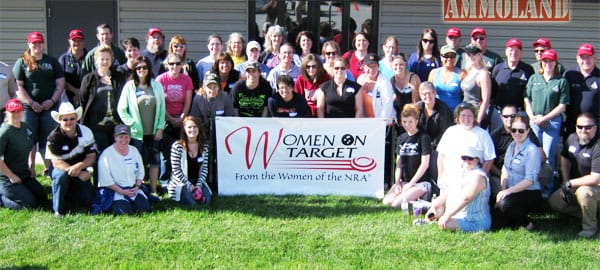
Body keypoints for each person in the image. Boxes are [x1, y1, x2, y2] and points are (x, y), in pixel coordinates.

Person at [13, 31, 65, 177]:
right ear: (29, 44)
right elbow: (19, 86)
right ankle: (31, 169)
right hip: (29, 108)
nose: (37, 45)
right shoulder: (22, 62)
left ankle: (49, 168)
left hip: (49, 107)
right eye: (34, 43)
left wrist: (52, 100)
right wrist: (31, 102)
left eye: (39, 43)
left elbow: (60, 83)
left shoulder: (51, 61)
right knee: (29, 138)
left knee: (48, 138)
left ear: (43, 44)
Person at [117, 56, 166, 196]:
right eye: (138, 67)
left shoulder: (156, 86)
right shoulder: (130, 86)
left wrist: (160, 128)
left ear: (149, 69)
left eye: (144, 67)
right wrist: (132, 123)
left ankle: (153, 189)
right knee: (138, 161)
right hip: (136, 132)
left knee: (155, 160)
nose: (142, 70)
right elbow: (121, 109)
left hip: (154, 131)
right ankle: (138, 189)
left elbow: (162, 108)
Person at [524, 49, 570, 196]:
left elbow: (562, 105)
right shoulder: (534, 78)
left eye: (551, 60)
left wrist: (545, 118)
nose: (548, 63)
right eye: (545, 61)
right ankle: (531, 187)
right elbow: (527, 98)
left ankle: (546, 191)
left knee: (549, 155)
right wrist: (531, 116)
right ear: (541, 62)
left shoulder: (561, 81)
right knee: (533, 155)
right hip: (534, 121)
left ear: (556, 62)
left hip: (552, 123)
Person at [548, 113, 599, 238]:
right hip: (576, 184)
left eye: (588, 127)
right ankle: (592, 215)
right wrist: (566, 182)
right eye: (580, 127)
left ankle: (590, 228)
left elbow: (596, 178)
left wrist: (570, 183)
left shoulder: (598, 146)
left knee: (584, 192)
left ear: (595, 128)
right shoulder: (571, 139)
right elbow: (565, 159)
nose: (583, 130)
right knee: (554, 201)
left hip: (594, 186)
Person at [492, 115, 542, 230]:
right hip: (512, 191)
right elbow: (505, 168)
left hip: (530, 192)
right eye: (514, 130)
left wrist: (508, 191)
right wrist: (503, 190)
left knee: (505, 204)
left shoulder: (532, 150)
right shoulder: (511, 146)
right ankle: (516, 221)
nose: (517, 133)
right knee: (496, 222)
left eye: (521, 130)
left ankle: (527, 224)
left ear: (528, 131)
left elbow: (530, 180)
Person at [45, 102, 96, 216]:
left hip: (80, 167)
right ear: (59, 120)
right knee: (60, 177)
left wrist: (80, 167)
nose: (69, 122)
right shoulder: (53, 137)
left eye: (72, 118)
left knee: (87, 201)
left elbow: (91, 156)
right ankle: (58, 210)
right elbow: (56, 162)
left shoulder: (86, 132)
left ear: (77, 118)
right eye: (65, 119)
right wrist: (77, 172)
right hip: (61, 169)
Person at [425, 146, 491, 232]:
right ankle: (434, 219)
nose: (466, 161)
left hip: (474, 220)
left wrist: (447, 215)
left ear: (477, 160)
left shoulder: (479, 176)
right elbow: (449, 191)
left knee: (446, 224)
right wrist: (434, 206)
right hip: (458, 215)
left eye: (470, 158)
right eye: (464, 158)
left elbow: (466, 198)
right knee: (437, 209)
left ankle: (437, 220)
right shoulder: (461, 173)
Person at [189, 73, 236, 191]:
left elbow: (230, 117)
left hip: (221, 134)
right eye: (209, 87)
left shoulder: (225, 97)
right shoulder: (198, 98)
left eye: (215, 87)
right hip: (203, 133)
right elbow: (195, 119)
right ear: (204, 87)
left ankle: (219, 182)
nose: (212, 90)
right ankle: (203, 181)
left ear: (219, 87)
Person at [490, 105, 545, 199]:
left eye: (512, 116)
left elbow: (542, 156)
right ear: (501, 117)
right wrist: (504, 182)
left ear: (527, 131)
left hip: (525, 173)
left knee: (546, 170)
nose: (509, 119)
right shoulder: (497, 137)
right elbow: (490, 162)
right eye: (506, 116)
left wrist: (533, 167)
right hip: (501, 175)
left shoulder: (530, 141)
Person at [0, 99, 47, 210]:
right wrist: (11, 176)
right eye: (13, 112)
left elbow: (32, 146)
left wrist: (32, 166)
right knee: (28, 205)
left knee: (42, 198)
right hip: (6, 177)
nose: (16, 114)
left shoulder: (26, 127)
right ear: (6, 113)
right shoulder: (4, 132)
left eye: (19, 111)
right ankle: (1, 198)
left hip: (23, 173)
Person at [436, 102, 496, 191]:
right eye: (463, 115)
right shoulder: (450, 131)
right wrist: (440, 176)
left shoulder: (483, 134)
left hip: (470, 181)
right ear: (457, 117)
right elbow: (441, 156)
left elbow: (489, 159)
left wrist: (479, 178)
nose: (466, 119)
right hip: (449, 179)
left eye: (469, 116)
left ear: (474, 117)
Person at [382, 103, 431, 207]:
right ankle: (412, 198)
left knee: (396, 204)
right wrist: (397, 183)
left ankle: (421, 197)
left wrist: (411, 183)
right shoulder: (401, 138)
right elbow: (399, 164)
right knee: (386, 202)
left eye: (410, 122)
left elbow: (424, 165)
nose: (407, 125)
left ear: (416, 121)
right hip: (404, 181)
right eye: (404, 122)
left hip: (420, 182)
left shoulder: (424, 137)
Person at [80, 45, 126, 153]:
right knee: (101, 156)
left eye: (107, 59)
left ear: (112, 60)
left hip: (116, 126)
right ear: (96, 60)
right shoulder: (89, 79)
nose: (105, 62)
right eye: (102, 59)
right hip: (96, 127)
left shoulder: (119, 77)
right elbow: (83, 101)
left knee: (116, 155)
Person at [156, 53, 194, 183]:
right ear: (167, 65)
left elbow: (188, 101)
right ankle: (165, 179)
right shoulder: (160, 79)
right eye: (171, 63)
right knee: (166, 151)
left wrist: (182, 117)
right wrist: (170, 118)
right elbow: (160, 103)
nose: (174, 66)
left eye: (177, 63)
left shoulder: (187, 80)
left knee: (183, 149)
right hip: (165, 118)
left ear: (182, 65)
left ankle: (182, 177)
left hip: (182, 119)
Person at [98, 124, 150, 215]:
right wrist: (122, 191)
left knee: (143, 209)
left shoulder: (134, 150)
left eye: (127, 137)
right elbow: (105, 179)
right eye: (120, 137)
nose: (124, 140)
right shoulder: (106, 154)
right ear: (115, 137)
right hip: (116, 191)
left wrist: (137, 187)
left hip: (134, 189)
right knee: (123, 212)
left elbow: (140, 171)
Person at [489, 38, 535, 132]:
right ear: (506, 52)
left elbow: (531, 94)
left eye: (516, 50)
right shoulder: (498, 68)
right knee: (498, 140)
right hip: (499, 114)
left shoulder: (527, 70)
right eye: (511, 50)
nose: (513, 53)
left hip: (520, 113)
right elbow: (492, 93)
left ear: (521, 53)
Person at [168, 116, 211, 206]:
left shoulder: (204, 147)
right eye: (189, 127)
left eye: (195, 127)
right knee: (192, 203)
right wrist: (189, 185)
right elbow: (176, 170)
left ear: (199, 128)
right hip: (181, 182)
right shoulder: (177, 146)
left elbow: (204, 168)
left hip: (197, 180)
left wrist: (198, 185)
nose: (192, 129)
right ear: (184, 129)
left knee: (207, 201)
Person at [415, 82, 453, 182]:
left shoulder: (444, 109)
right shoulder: (416, 108)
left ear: (435, 93)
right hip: (421, 145)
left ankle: (435, 188)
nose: (427, 96)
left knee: (434, 159)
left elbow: (445, 134)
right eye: (424, 94)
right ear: (420, 95)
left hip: (437, 147)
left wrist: (430, 148)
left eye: (430, 93)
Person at [563, 43, 599, 139]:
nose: (586, 60)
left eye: (589, 57)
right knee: (569, 152)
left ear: (595, 57)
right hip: (572, 124)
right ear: (577, 59)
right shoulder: (569, 74)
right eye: (583, 57)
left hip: (593, 127)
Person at [356, 53, 396, 124]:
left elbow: (387, 104)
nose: (371, 69)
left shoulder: (384, 81)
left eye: (374, 66)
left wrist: (380, 122)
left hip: (381, 123)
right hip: (364, 122)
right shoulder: (360, 79)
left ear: (378, 67)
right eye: (369, 66)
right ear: (364, 67)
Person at [428, 45, 467, 112]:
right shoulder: (433, 73)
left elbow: (468, 95)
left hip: (455, 114)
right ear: (441, 57)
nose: (449, 59)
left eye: (452, 56)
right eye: (446, 56)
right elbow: (428, 94)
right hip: (437, 113)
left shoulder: (462, 74)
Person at [461, 44, 491, 127]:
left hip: (476, 113)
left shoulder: (483, 74)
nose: (471, 56)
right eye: (469, 54)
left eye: (474, 54)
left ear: (480, 55)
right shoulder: (468, 72)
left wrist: (478, 119)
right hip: (465, 112)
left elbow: (486, 99)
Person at [58, 29, 87, 106]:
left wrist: (81, 92)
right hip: (67, 99)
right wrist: (75, 91)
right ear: (69, 41)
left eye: (79, 40)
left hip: (87, 97)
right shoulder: (63, 59)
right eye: (74, 40)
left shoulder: (89, 57)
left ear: (83, 42)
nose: (77, 43)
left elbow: (93, 77)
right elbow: (60, 79)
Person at [391, 53, 421, 123]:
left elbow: (415, 102)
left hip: (413, 113)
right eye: (395, 65)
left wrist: (412, 120)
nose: (398, 67)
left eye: (401, 64)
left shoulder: (413, 78)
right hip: (399, 115)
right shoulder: (392, 80)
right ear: (392, 66)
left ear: (405, 65)